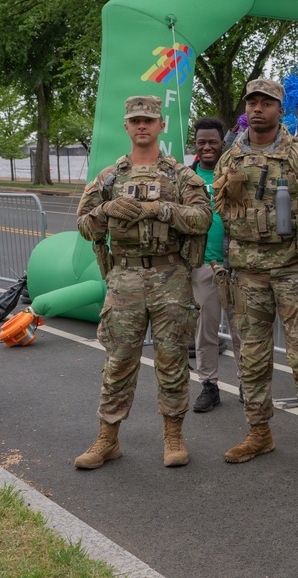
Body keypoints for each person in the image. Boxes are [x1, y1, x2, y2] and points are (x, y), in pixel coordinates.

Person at [74, 95, 212, 470]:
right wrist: (105, 210)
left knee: (171, 360)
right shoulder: (109, 177)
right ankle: (108, 438)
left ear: (161, 126)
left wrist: (161, 209)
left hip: (171, 276)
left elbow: (203, 218)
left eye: (149, 120)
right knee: (118, 360)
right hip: (125, 278)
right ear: (126, 126)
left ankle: (173, 435)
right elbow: (84, 226)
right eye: (135, 120)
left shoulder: (181, 175)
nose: (142, 126)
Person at [213, 78, 298, 467]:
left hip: (293, 271)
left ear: (279, 109)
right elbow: (221, 208)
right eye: (252, 102)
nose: (257, 109)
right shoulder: (230, 158)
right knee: (251, 357)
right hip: (247, 273)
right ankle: (259, 432)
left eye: (266, 102)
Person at [188, 117, 242, 413]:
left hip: (236, 263)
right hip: (203, 266)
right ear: (195, 146)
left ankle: (249, 385)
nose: (207, 147)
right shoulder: (186, 178)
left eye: (212, 142)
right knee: (205, 333)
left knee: (242, 331)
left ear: (224, 143)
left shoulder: (236, 173)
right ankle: (209, 386)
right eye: (201, 143)